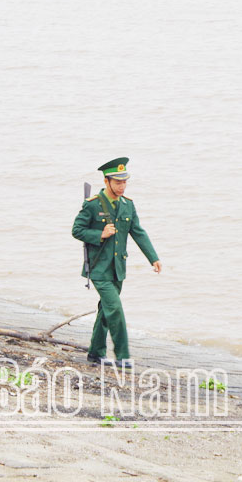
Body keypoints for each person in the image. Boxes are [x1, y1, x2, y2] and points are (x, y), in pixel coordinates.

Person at [72, 157, 162, 368]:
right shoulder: (92, 205)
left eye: (124, 182)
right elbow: (77, 230)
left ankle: (95, 353)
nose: (122, 186)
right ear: (106, 181)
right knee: (115, 309)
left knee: (105, 311)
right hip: (98, 268)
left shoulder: (128, 205)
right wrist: (100, 234)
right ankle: (122, 356)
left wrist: (154, 258)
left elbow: (138, 232)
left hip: (118, 269)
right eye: (117, 182)